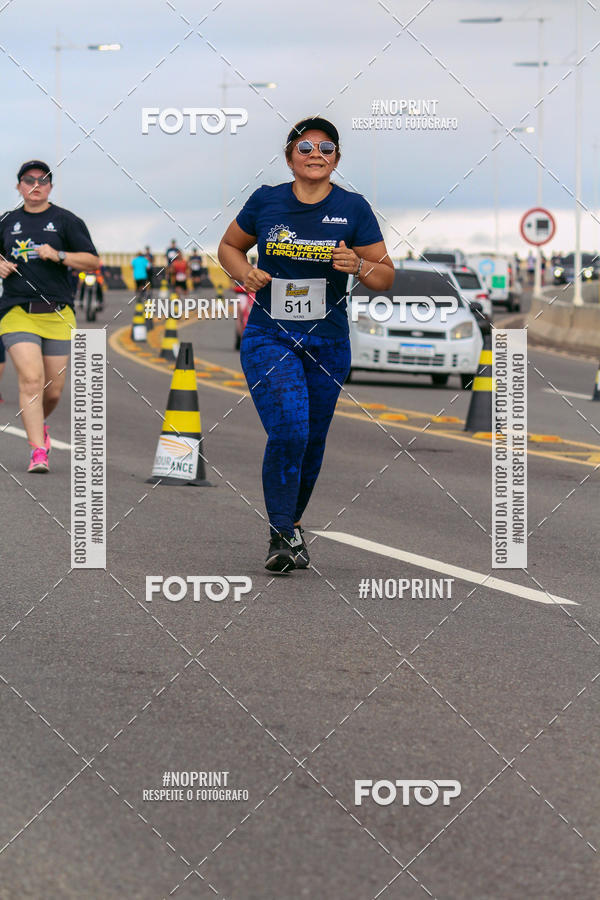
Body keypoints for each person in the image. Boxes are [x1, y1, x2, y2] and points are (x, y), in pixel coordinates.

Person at [218, 116, 394, 572]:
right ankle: (280, 534)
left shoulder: (353, 208)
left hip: (328, 342)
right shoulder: (267, 201)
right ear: (289, 156)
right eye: (306, 147)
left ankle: (291, 526)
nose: (316, 154)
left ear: (337, 158)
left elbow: (384, 275)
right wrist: (244, 273)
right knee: (290, 430)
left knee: (312, 441)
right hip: (269, 334)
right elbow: (229, 247)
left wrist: (357, 264)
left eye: (327, 148)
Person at [0, 160, 99, 472]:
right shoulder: (6, 221)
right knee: (31, 379)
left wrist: (59, 255)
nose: (35, 185)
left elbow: (92, 261)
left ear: (50, 186)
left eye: (42, 180)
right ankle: (38, 451)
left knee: (53, 390)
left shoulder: (67, 221)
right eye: (28, 180)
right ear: (19, 186)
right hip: (17, 312)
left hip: (58, 313)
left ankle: (39, 424)